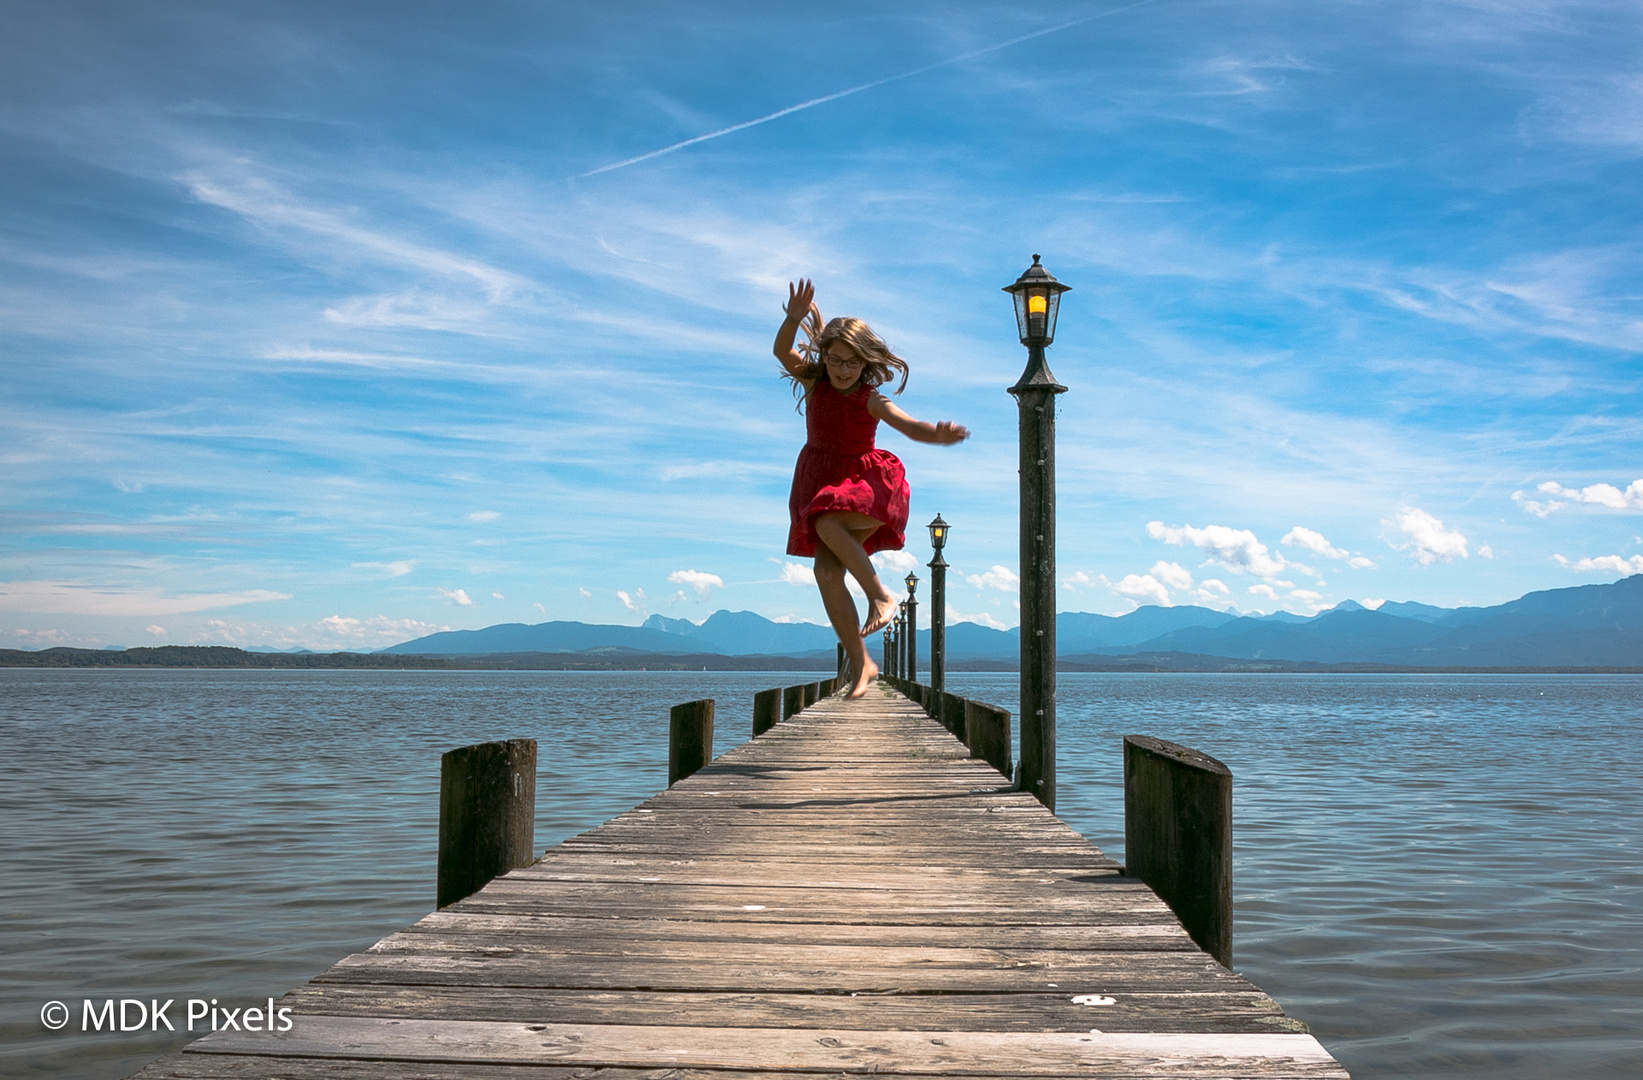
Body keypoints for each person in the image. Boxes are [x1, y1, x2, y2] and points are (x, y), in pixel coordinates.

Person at [774, 278, 969, 700]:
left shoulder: (869, 399)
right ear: (824, 356)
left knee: (826, 519)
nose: (844, 370)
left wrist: (936, 434)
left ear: (866, 364)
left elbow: (908, 425)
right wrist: (792, 319)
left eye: (853, 363)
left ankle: (880, 596)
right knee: (825, 571)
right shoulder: (815, 385)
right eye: (837, 360)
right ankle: (862, 663)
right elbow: (782, 353)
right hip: (821, 479)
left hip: (868, 485)